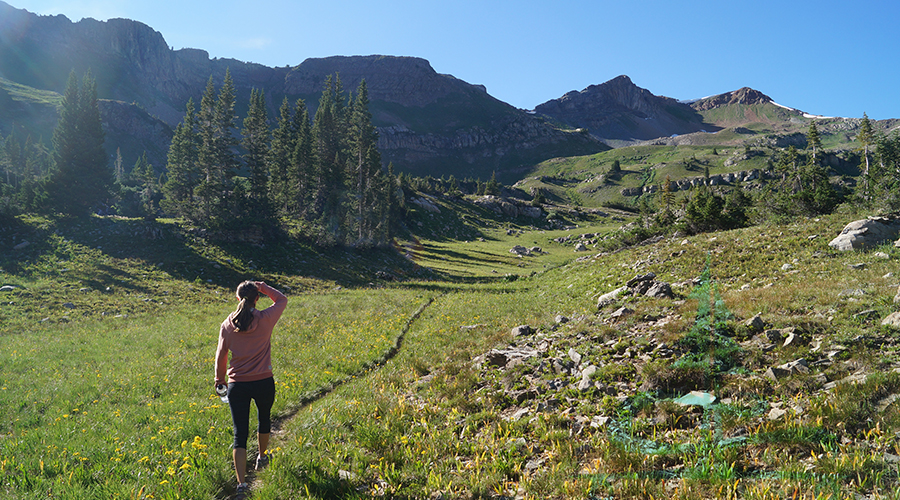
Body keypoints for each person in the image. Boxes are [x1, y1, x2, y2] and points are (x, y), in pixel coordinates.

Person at [215, 280, 288, 496]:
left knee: (240, 434)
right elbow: (282, 299)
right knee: (264, 419)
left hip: (237, 385)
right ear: (257, 299)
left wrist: (220, 380)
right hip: (264, 381)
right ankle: (262, 458)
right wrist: (264, 287)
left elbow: (221, 357)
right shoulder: (265, 319)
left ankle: (241, 485)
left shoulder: (227, 325)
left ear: (237, 298)